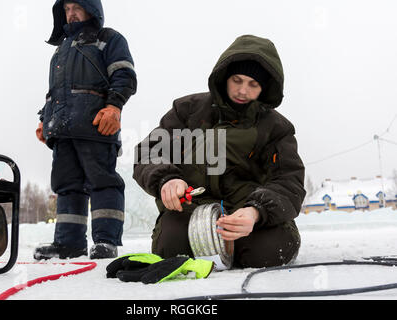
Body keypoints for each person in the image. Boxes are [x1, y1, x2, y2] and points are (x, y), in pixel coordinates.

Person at [133, 35, 305, 268]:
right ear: (225, 77)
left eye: (253, 84)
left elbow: (289, 181)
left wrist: (257, 211)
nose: (243, 90)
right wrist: (166, 179)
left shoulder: (277, 128)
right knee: (171, 248)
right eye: (237, 80)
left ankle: (241, 242)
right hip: (192, 210)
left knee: (266, 253)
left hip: (251, 214)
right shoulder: (187, 110)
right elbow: (149, 152)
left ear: (264, 88)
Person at [34, 0, 137, 260]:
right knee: (67, 186)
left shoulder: (109, 39)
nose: (71, 14)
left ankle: (106, 242)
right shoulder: (61, 51)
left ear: (91, 9)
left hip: (96, 126)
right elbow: (55, 93)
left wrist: (114, 107)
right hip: (63, 131)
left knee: (102, 182)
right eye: (67, 9)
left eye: (76, 8)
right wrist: (43, 120)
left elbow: (124, 76)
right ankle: (68, 244)